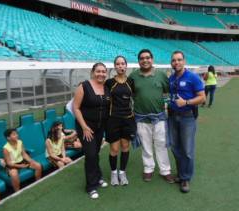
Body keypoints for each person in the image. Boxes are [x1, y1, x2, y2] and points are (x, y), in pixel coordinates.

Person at [129, 49, 174, 183]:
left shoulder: (161, 75)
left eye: (147, 58)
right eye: (142, 58)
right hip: (141, 117)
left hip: (159, 117)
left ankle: (165, 170)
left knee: (161, 144)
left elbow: (167, 91)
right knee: (146, 145)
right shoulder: (133, 77)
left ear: (152, 59)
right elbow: (130, 94)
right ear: (139, 61)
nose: (145, 60)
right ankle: (148, 168)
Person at [168, 51, 205, 193]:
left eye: (179, 60)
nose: (176, 62)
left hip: (187, 117)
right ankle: (181, 174)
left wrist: (187, 102)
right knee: (175, 148)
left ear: (184, 61)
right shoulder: (171, 78)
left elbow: (202, 98)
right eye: (174, 60)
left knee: (187, 150)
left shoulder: (193, 77)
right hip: (172, 117)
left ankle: (186, 178)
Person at [73, 63, 110, 199]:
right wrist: (83, 127)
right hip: (86, 128)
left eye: (103, 72)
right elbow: (75, 108)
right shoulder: (84, 86)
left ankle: (98, 176)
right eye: (98, 71)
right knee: (90, 155)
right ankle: (91, 186)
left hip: (100, 127)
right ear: (93, 72)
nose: (101, 74)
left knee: (96, 153)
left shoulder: (106, 88)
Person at [105, 56, 136, 186]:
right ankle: (113, 173)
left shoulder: (131, 81)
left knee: (125, 147)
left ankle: (122, 173)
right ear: (115, 66)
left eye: (122, 64)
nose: (120, 66)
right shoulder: (109, 82)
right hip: (113, 120)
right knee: (114, 149)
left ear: (126, 66)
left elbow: (135, 98)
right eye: (118, 64)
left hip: (128, 120)